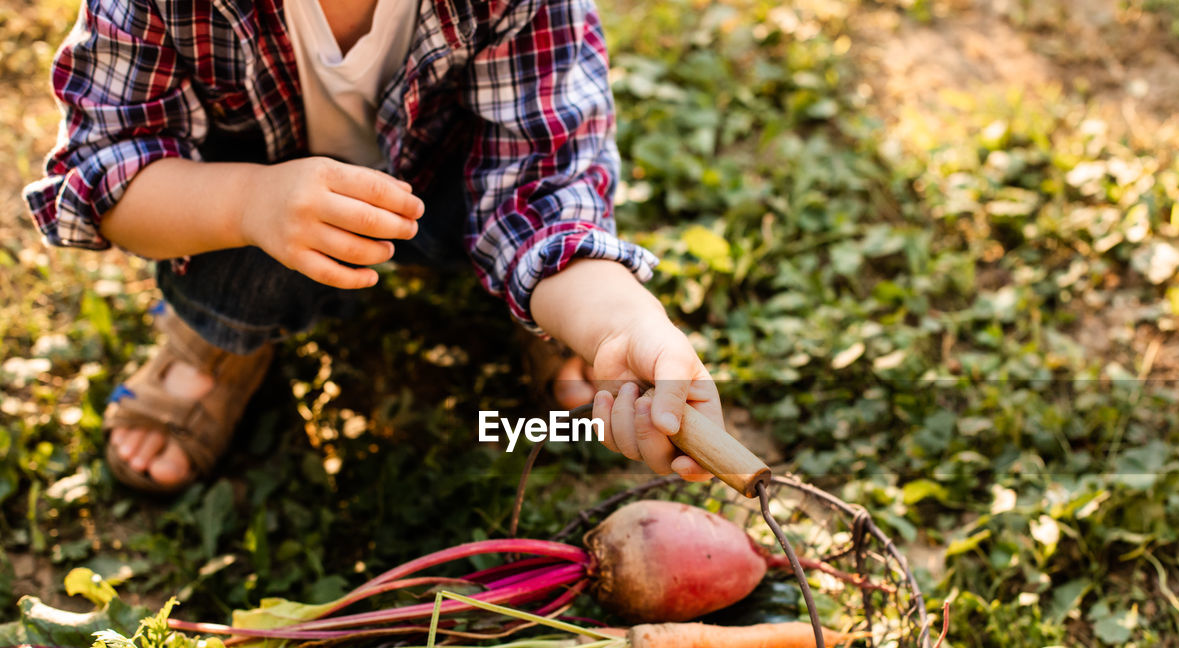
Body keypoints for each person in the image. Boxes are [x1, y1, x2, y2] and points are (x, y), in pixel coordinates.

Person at [24, 0, 722, 494]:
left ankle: (556, 309)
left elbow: (543, 185)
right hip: (248, 195)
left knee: (550, 251)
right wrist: (248, 204)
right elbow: (105, 172)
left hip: (451, 178)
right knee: (221, 261)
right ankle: (220, 338)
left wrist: (623, 323)